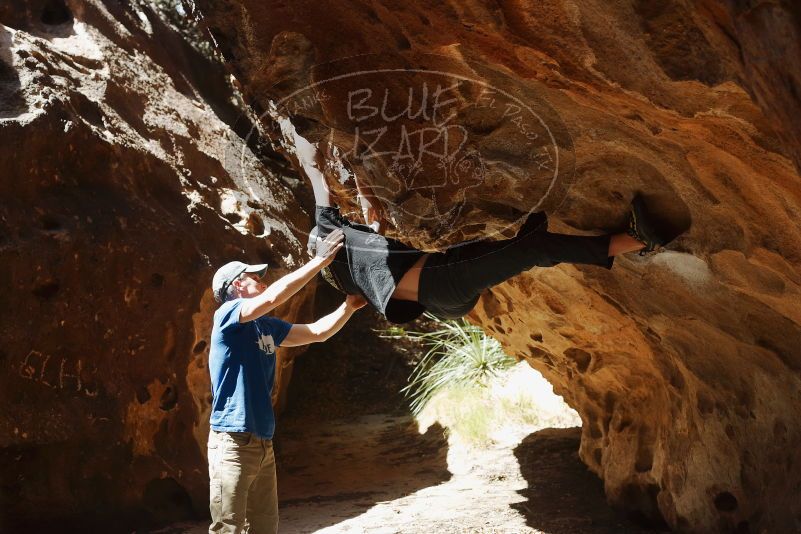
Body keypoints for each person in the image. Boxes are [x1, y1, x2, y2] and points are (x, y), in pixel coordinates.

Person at [293, 131, 669, 324]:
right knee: (529, 249)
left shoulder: (340, 266)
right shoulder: (327, 233)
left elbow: (365, 221)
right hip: (441, 280)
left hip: (442, 295)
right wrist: (301, 136)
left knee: (520, 246)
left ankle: (564, 238)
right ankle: (634, 240)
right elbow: (318, 180)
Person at [207, 236, 366, 534]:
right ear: (238, 285)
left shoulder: (266, 326)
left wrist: (349, 307)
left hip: (263, 441)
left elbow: (317, 332)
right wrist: (320, 262)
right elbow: (271, 299)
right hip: (232, 441)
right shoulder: (227, 316)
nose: (263, 281)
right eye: (255, 277)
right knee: (227, 528)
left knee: (265, 528)